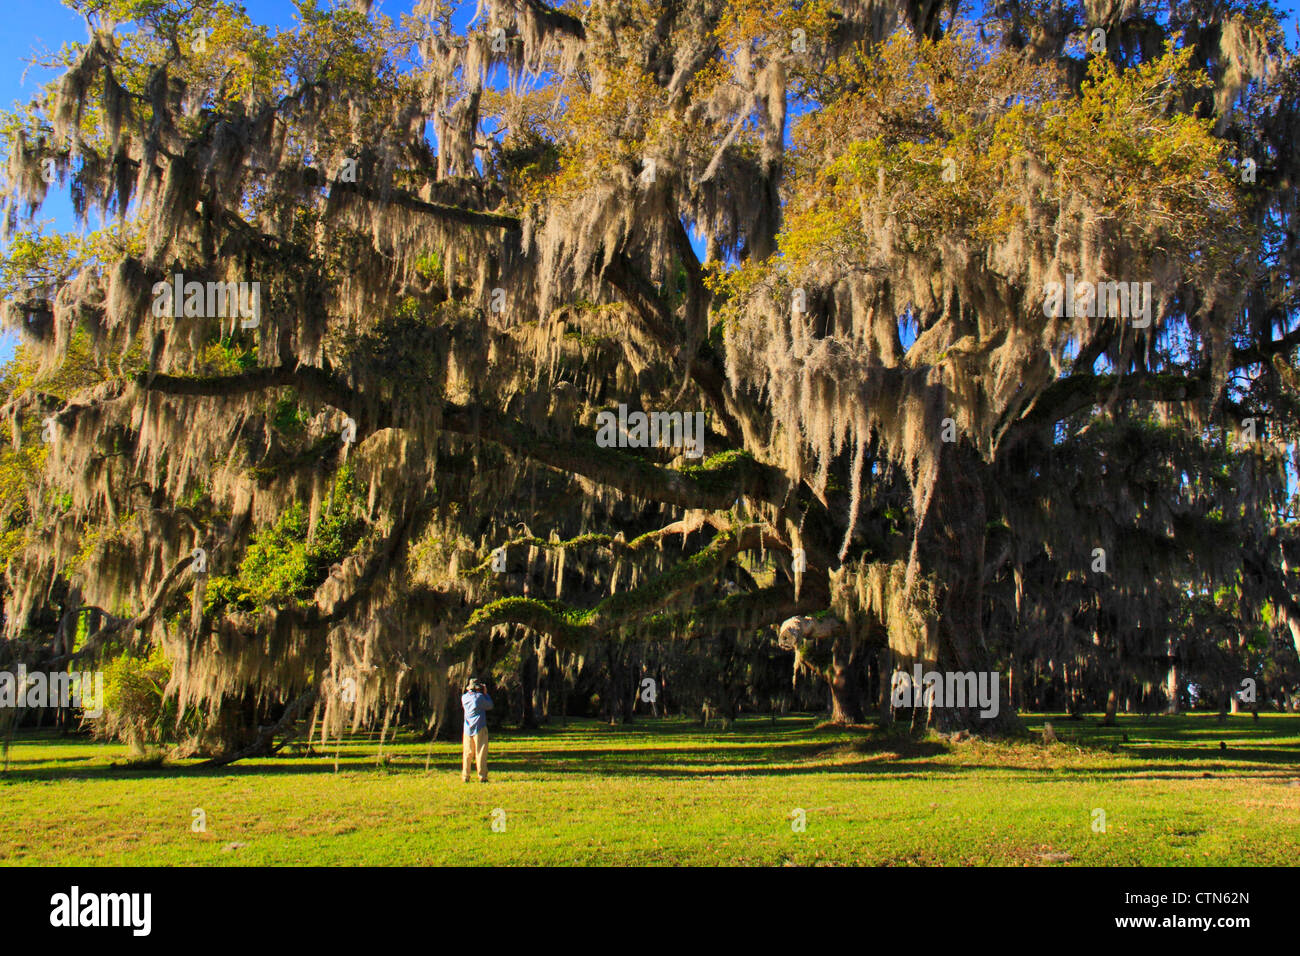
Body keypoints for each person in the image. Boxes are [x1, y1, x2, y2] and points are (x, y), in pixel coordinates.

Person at [461, 678, 493, 783]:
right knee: (481, 752)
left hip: (467, 728)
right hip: (479, 727)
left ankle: (465, 776)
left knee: (467, 753)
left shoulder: (464, 697)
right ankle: (482, 776)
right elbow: (490, 705)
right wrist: (485, 693)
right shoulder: (479, 698)